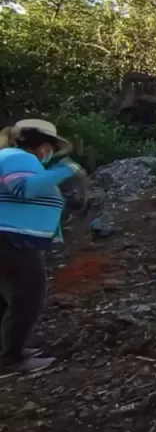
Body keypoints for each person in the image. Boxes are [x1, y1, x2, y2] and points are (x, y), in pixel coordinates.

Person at [0, 119, 87, 376]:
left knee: (7, 300)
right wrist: (66, 169)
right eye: (50, 147)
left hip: (12, 239)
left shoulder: (17, 159)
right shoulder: (17, 157)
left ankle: (8, 351)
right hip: (11, 240)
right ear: (42, 145)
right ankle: (11, 360)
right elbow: (24, 190)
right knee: (28, 296)